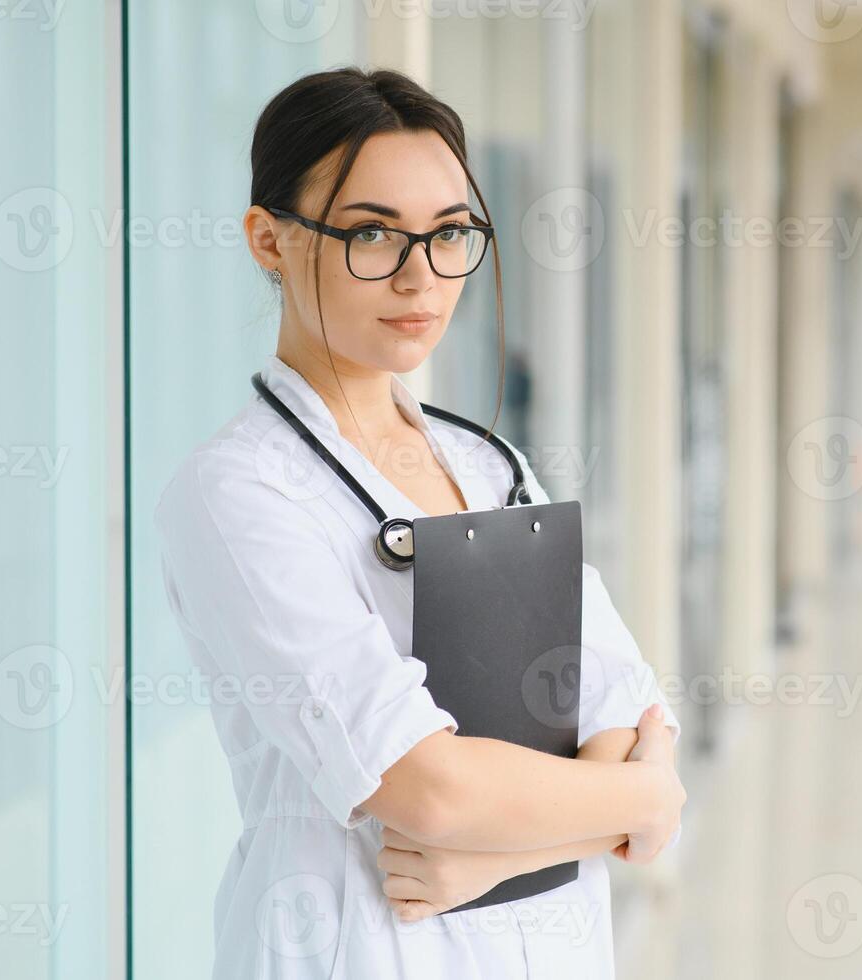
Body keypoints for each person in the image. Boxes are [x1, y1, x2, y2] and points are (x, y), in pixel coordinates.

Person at [152, 66, 685, 980]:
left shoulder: (490, 466)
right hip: (359, 946)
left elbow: (624, 709)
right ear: (269, 241)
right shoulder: (237, 492)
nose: (419, 277)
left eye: (448, 235)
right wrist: (641, 802)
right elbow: (425, 788)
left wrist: (502, 853)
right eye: (370, 234)